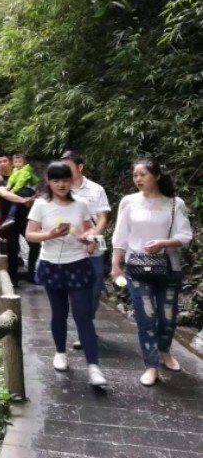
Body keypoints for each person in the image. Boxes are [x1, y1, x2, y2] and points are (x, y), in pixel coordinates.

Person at [111, 159, 192, 386]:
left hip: (169, 268)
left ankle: (165, 352)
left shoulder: (175, 204)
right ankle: (151, 365)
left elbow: (185, 236)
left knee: (167, 317)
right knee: (146, 318)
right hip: (137, 268)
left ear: (156, 176)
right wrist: (115, 264)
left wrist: (164, 242)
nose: (138, 179)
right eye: (135, 175)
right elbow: (120, 235)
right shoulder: (129, 202)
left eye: (143, 175)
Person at [26, 161, 107, 386]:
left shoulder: (80, 204)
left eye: (65, 180)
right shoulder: (41, 205)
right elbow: (30, 235)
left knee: (83, 315)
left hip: (77, 262)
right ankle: (60, 352)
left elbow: (87, 228)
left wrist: (89, 239)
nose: (61, 184)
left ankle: (94, 367)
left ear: (72, 180)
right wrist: (50, 235)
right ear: (48, 182)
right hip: (52, 264)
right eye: (56, 180)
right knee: (59, 312)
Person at [60, 151, 110, 350]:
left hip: (94, 249)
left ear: (79, 167)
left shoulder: (96, 190)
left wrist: (92, 238)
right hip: (71, 248)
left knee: (95, 290)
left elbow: (103, 217)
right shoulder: (61, 190)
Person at [0, 153, 35, 286]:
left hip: (25, 215)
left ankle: (32, 274)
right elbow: (4, 194)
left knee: (35, 244)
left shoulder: (21, 173)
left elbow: (33, 189)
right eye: (0, 162)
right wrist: (23, 200)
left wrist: (31, 199)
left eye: (5, 161)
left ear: (10, 162)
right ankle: (13, 278)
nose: (3, 164)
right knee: (13, 248)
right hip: (8, 218)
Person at [0, 154, 40, 228]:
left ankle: (11, 217)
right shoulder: (15, 170)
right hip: (22, 189)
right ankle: (11, 217)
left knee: (15, 197)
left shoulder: (26, 170)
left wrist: (13, 190)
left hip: (28, 189)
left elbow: (21, 182)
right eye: (15, 162)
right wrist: (9, 185)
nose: (18, 164)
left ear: (24, 162)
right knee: (16, 200)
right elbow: (12, 178)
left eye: (20, 162)